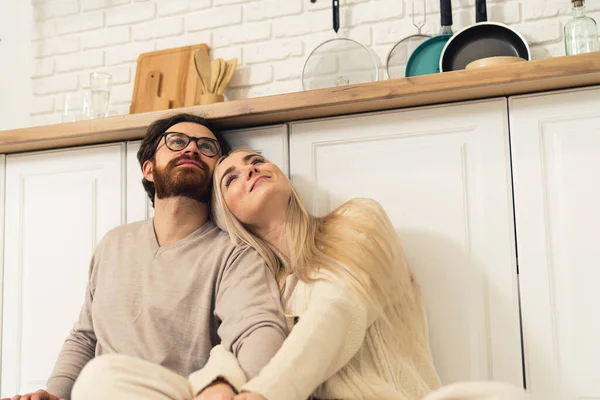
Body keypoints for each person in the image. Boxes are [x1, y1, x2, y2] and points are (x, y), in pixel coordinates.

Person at [204, 150, 535, 400]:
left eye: (257, 160)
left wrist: (262, 393)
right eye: (231, 178)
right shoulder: (268, 288)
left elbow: (338, 308)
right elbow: (239, 340)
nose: (250, 169)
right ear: (227, 215)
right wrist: (216, 380)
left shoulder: (357, 221)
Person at [1, 115, 287, 400]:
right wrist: (54, 395)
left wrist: (253, 393)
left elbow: (258, 330)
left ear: (215, 173)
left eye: (206, 147)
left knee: (103, 374)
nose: (191, 149)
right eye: (176, 142)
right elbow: (85, 337)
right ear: (149, 169)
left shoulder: (235, 253)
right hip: (98, 390)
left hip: (178, 392)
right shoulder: (114, 243)